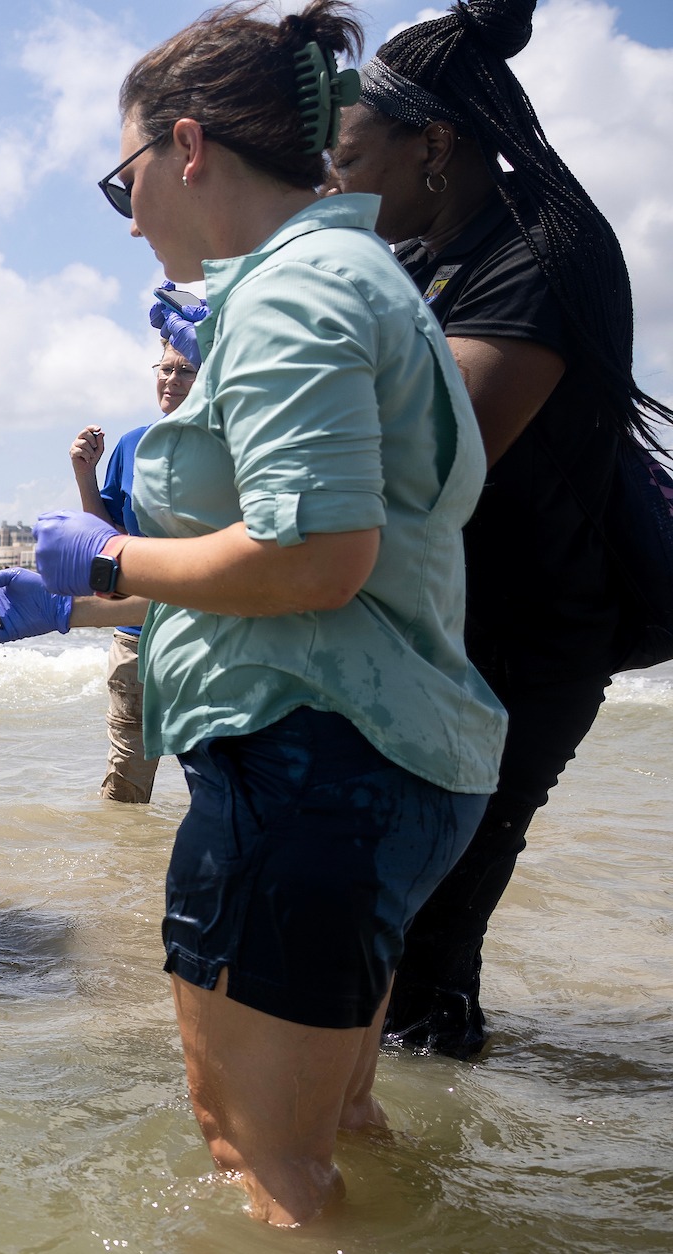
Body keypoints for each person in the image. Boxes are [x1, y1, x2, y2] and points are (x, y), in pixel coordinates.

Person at [27, 0, 505, 1225]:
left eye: (123, 176)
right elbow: (312, 568)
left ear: (188, 148)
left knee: (257, 1157)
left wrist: (114, 559)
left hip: (308, 767)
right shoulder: (363, 277)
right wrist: (73, 599)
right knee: (336, 1123)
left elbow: (313, 557)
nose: (127, 211)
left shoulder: (295, 295)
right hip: (387, 756)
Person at [327, 0, 672, 1060]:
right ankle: (432, 1155)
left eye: (348, 155)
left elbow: (431, 460)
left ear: (432, 144)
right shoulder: (427, 249)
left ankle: (426, 1177)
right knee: (386, 931)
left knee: (429, 934)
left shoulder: (535, 250)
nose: (332, 180)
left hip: (529, 646)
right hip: (449, 635)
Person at [67, 331, 199, 802]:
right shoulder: (133, 444)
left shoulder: (227, 446)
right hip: (135, 640)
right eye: (165, 368)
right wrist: (87, 473)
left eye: (187, 370)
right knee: (125, 787)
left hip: (209, 640)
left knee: (220, 782)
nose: (172, 379)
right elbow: (107, 541)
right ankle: (123, 875)